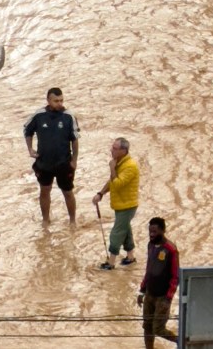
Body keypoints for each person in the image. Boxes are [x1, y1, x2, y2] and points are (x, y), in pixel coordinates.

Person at [23, 87, 80, 225]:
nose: (59, 104)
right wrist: (30, 149)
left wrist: (74, 160)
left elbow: (75, 139)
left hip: (64, 163)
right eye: (56, 101)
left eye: (61, 100)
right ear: (48, 100)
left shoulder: (69, 117)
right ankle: (45, 220)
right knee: (44, 191)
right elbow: (27, 130)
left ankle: (72, 220)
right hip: (44, 163)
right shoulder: (38, 115)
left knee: (68, 192)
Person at [92, 138, 141, 270]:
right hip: (121, 205)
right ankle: (130, 257)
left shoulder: (130, 166)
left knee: (116, 232)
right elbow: (111, 182)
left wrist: (112, 168)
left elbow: (117, 184)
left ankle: (111, 262)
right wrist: (100, 193)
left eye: (114, 148)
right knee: (126, 230)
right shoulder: (120, 163)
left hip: (128, 206)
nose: (111, 150)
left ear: (123, 151)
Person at [138, 217, 180, 348]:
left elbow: (176, 276)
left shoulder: (171, 250)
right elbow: (148, 270)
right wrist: (141, 291)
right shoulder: (150, 245)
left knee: (158, 329)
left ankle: (182, 342)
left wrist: (168, 298)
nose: (151, 234)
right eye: (150, 231)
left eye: (154, 231)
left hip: (163, 296)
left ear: (163, 231)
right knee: (147, 326)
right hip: (149, 294)